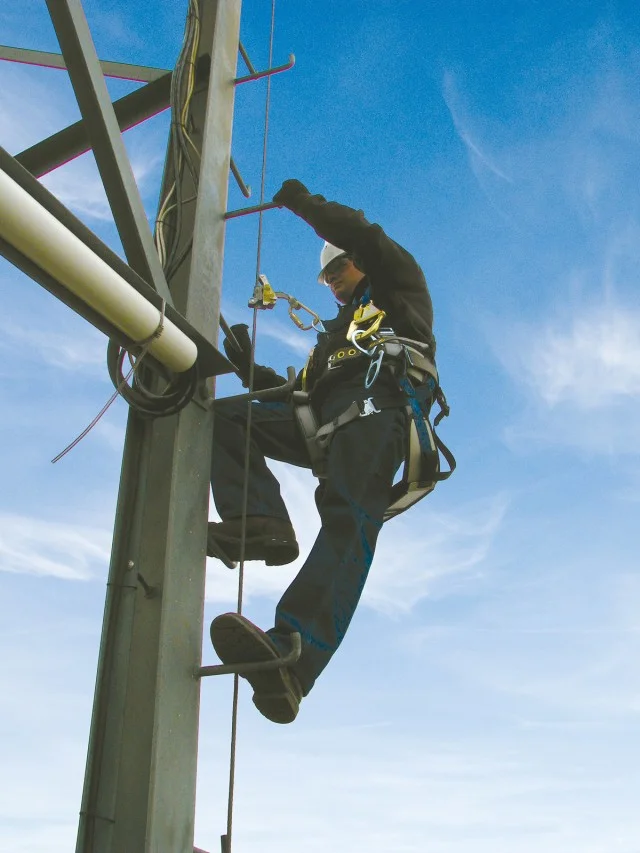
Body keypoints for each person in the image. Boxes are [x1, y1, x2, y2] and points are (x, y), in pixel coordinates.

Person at [208, 179, 438, 724]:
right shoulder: (335, 335)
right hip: (327, 422)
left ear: (359, 261)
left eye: (339, 270)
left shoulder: (398, 290)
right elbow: (301, 396)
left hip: (379, 412)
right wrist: (249, 370)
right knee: (227, 418)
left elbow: (363, 234)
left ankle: (293, 659)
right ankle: (259, 522)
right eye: (327, 276)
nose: (332, 282)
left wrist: (305, 206)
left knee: (348, 522)